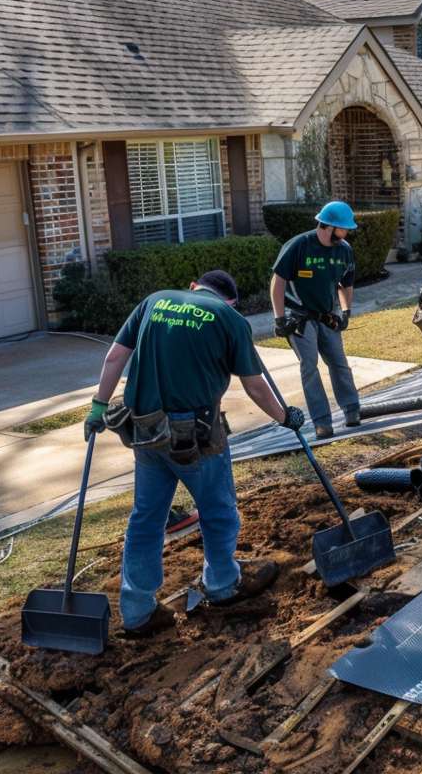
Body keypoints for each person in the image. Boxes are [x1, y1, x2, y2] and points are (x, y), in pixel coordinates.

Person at [83, 270, 305, 637]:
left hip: (145, 432)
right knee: (218, 511)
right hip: (195, 437)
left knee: (147, 518)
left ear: (193, 287)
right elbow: (254, 386)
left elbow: (115, 357)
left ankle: (137, 611)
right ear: (230, 302)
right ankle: (222, 584)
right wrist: (285, 417)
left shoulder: (154, 301)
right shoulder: (229, 319)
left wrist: (98, 407)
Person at [270, 201, 360, 440]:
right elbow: (277, 282)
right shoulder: (299, 246)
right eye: (344, 228)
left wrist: (346, 311)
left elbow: (346, 283)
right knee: (309, 366)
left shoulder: (344, 250)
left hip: (327, 314)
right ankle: (322, 422)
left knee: (339, 362)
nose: (347, 232)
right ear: (329, 226)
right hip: (298, 317)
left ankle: (352, 409)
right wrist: (279, 318)